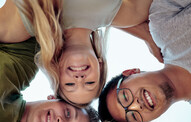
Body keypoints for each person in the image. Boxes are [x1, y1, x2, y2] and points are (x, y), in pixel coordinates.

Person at [1, 0, 161, 106]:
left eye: (69, 85)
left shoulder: (23, 26)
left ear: (56, 71)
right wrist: (148, 35)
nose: (79, 79)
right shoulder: (130, 14)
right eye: (89, 83)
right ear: (100, 66)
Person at [98, 0, 191, 122]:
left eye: (125, 97)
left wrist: (145, 35)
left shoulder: (164, 27)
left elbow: (93, 9)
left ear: (131, 72)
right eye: (134, 117)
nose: (137, 106)